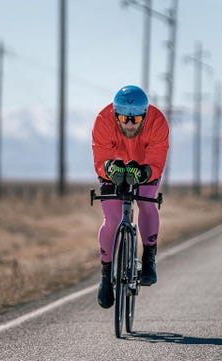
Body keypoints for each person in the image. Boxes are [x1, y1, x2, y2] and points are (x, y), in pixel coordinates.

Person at [92, 85, 169, 308]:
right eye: (124, 118)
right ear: (115, 114)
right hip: (113, 167)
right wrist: (108, 168)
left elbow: (156, 160)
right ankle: (106, 275)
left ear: (145, 115)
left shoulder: (158, 122)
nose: (128, 124)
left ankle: (149, 259)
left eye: (135, 120)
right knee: (112, 219)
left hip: (144, 166)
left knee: (147, 202)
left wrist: (145, 172)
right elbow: (100, 158)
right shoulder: (103, 121)